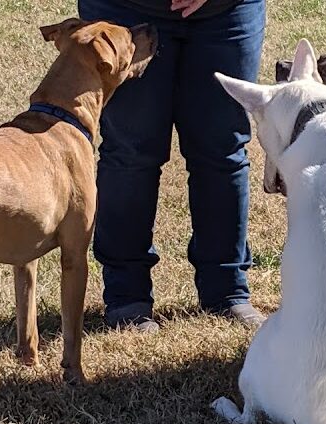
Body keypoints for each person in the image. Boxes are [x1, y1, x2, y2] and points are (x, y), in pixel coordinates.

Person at [78, 0, 266, 332]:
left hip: (227, 11)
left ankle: (227, 289)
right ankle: (126, 294)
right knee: (131, 151)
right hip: (128, 10)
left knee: (222, 149)